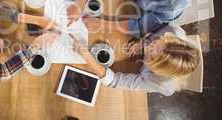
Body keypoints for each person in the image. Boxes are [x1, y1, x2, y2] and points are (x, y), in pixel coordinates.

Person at [71, 24, 200, 96]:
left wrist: (86, 55)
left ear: (157, 69)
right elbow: (151, 28)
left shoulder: (161, 84)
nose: (148, 47)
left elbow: (115, 80)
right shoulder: (174, 31)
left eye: (151, 55)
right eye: (155, 42)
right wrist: (143, 42)